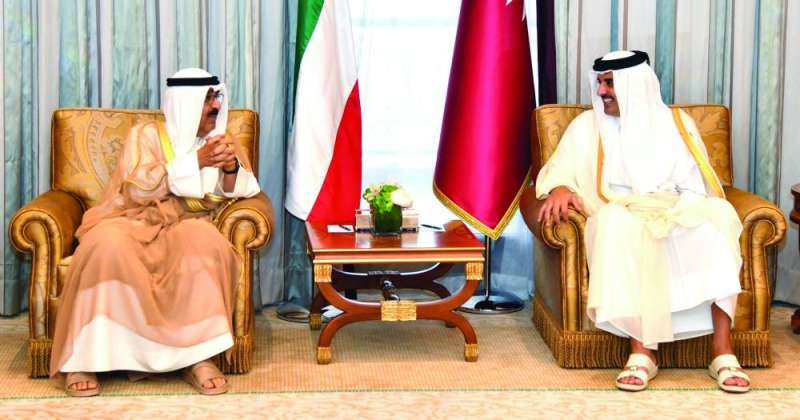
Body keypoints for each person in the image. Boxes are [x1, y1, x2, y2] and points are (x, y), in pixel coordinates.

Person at [535, 50, 750, 393]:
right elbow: (559, 169)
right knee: (620, 227)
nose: (601, 91)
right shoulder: (587, 126)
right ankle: (642, 352)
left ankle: (722, 351)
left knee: (718, 219)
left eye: (610, 84)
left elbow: (696, 185)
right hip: (620, 210)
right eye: (600, 83)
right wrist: (560, 187)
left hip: (675, 206)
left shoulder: (676, 123)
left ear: (634, 85)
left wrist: (674, 210)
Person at [50, 68, 261, 397]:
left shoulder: (222, 139)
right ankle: (85, 358)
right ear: (186, 103)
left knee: (205, 245)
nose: (216, 105)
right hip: (132, 217)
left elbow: (238, 192)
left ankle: (198, 358)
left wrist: (230, 167)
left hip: (189, 222)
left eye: (216, 97)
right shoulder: (146, 135)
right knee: (105, 246)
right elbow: (137, 190)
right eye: (207, 99)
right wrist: (196, 161)